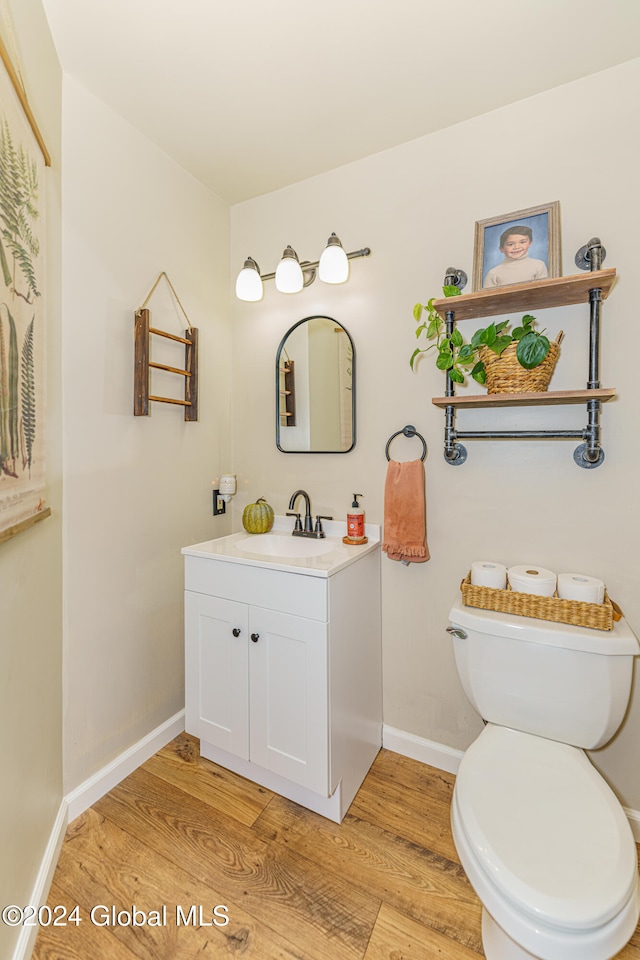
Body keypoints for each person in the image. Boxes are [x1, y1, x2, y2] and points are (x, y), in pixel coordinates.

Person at [483, 224, 548, 288]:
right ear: (501, 249)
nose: (517, 247)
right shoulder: (494, 273)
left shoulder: (538, 266)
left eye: (522, 242)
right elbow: (487, 297)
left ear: (530, 243)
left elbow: (543, 291)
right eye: (510, 244)